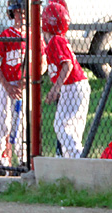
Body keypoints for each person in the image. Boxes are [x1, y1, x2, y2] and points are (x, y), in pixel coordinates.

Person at [42, 0, 90, 159]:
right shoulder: (55, 41)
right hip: (75, 86)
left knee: (61, 125)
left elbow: (67, 65)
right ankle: (69, 158)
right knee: (71, 127)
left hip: (72, 86)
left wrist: (56, 89)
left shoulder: (56, 40)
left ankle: (77, 156)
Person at [0, 0, 27, 175]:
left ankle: (22, 160)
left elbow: (41, 62)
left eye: (24, 11)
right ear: (12, 14)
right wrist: (6, 85)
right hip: (6, 85)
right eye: (18, 12)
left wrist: (26, 80)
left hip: (24, 87)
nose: (22, 15)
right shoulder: (7, 34)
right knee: (3, 121)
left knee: (21, 124)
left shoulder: (33, 36)